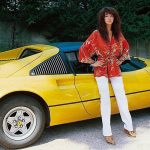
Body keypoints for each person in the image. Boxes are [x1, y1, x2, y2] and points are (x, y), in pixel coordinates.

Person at [78, 7, 136, 145]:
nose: (109, 18)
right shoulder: (96, 34)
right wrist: (94, 62)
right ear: (102, 18)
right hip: (101, 70)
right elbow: (83, 50)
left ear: (114, 18)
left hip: (115, 68)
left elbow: (126, 48)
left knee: (121, 97)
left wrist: (120, 60)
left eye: (111, 16)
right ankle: (107, 132)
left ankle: (128, 127)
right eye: (106, 16)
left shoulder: (117, 34)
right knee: (105, 100)